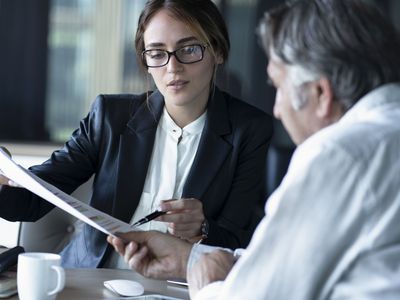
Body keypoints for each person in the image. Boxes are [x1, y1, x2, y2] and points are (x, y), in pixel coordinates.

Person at [107, 0, 400, 298]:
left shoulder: (339, 154)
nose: (277, 109)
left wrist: (207, 288)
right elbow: (289, 265)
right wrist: (188, 259)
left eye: (279, 88)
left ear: (320, 94)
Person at [0, 0, 273, 268]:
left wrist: (202, 228)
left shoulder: (249, 130)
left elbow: (240, 242)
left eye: (189, 49)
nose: (172, 67)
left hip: (181, 288)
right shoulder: (110, 116)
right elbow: (32, 200)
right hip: (93, 282)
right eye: (156, 53)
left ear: (218, 51)